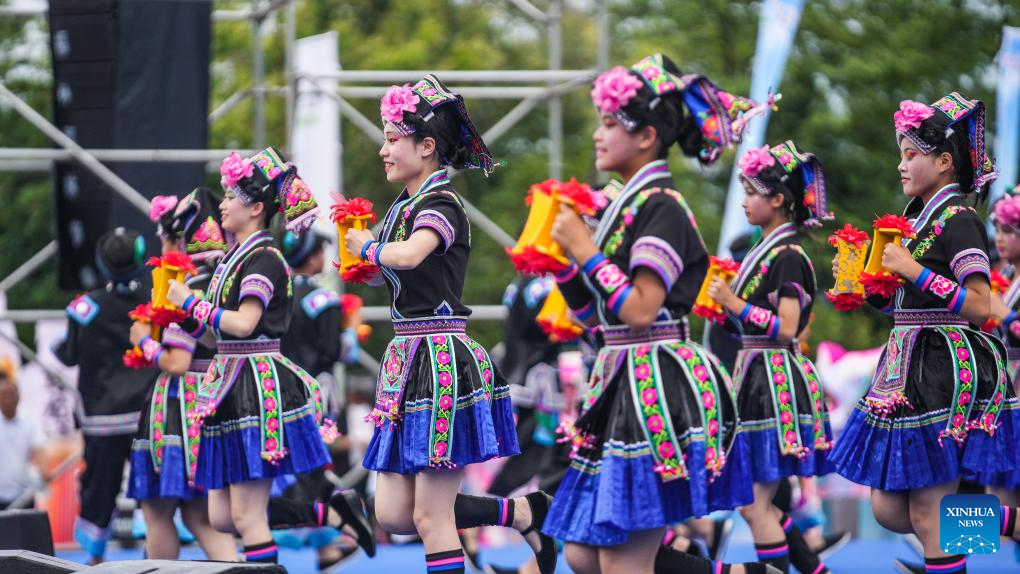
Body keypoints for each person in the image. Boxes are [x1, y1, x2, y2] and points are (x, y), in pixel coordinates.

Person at [542, 54, 768, 574]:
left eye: (608, 123)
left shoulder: (665, 206)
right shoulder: (628, 208)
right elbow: (598, 321)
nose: (598, 135)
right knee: (585, 553)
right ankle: (739, 571)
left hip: (671, 385)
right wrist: (564, 266)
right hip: (626, 379)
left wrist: (587, 253)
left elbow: (642, 309)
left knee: (925, 503)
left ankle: (980, 543)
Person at [346, 76, 554, 574]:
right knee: (392, 513)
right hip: (405, 362)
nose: (384, 151)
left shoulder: (441, 205)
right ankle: (521, 511)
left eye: (393, 139)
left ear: (427, 145)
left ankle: (521, 514)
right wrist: (367, 265)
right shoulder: (403, 208)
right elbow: (392, 273)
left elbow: (412, 256)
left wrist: (370, 250)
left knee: (429, 515)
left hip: (441, 362)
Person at [828, 94, 1020, 574]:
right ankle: (1005, 526)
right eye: (900, 154)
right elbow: (900, 301)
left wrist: (912, 271)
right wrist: (859, 283)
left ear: (944, 160)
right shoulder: (913, 221)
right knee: (890, 509)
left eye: (910, 154)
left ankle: (949, 560)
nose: (901, 165)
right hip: (904, 367)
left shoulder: (960, 219)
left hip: (941, 367)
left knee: (927, 511)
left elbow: (979, 306)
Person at [166, 148, 336, 564]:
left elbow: (244, 323)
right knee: (221, 516)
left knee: (244, 514)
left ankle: (328, 517)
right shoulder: (231, 260)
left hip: (254, 384)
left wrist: (191, 304)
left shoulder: (264, 258)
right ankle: (330, 513)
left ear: (257, 207)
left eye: (230, 197)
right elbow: (214, 338)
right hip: (228, 380)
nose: (221, 204)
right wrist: (183, 322)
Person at [706, 140, 835, 574]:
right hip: (757, 377)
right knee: (759, 503)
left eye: (751, 192)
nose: (743, 202)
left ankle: (954, 547)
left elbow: (787, 327)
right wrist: (726, 310)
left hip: (774, 382)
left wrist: (735, 304)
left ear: (778, 200)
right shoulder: (766, 251)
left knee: (756, 504)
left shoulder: (788, 255)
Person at [126, 188, 237, 560]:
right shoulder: (224, 275)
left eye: (168, 234)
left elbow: (176, 361)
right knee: (200, 515)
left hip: (181, 406)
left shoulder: (188, 285)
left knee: (157, 511)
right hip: (212, 394)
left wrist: (145, 342)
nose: (162, 242)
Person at [55, 228, 156, 564]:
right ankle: (158, 556)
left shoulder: (85, 308)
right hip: (148, 413)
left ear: (102, 263)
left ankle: (96, 561)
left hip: (102, 416)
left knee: (99, 489)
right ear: (141, 260)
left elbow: (69, 354)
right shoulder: (156, 303)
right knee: (154, 488)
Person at [0, 373, 48, 510]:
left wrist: (44, 469)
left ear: (18, 396)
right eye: (3, 395)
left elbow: (39, 450)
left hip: (23, 496)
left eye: (10, 395)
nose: (7, 400)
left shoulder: (30, 421)